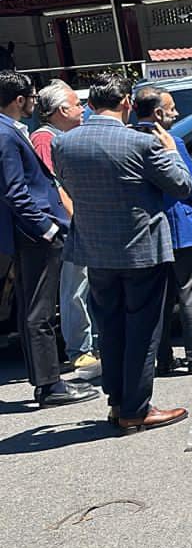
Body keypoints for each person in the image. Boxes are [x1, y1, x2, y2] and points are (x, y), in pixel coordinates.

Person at [52, 76, 192, 431]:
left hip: (95, 249)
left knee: (110, 329)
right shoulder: (140, 143)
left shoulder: (64, 143)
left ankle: (117, 402)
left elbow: (69, 185)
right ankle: (135, 408)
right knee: (142, 331)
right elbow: (182, 185)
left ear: (90, 104)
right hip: (141, 248)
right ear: (127, 102)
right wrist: (173, 152)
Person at [0, 71, 96, 408]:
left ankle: (43, 381)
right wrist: (47, 227)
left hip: (26, 233)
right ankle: (50, 386)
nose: (35, 102)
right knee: (39, 312)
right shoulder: (6, 134)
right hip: (34, 234)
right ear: (19, 100)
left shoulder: (10, 130)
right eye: (31, 96)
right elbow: (15, 191)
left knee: (32, 310)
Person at [132, 87, 192, 376]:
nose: (176, 113)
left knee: (160, 299)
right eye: (171, 107)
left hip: (150, 230)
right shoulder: (171, 142)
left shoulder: (131, 142)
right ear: (157, 113)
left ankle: (162, 358)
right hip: (182, 226)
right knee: (189, 294)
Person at [31, 79, 98, 376]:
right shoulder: (45, 138)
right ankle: (80, 350)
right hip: (72, 225)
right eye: (76, 104)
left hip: (82, 221)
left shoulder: (63, 135)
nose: (82, 109)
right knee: (75, 289)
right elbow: (54, 186)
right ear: (60, 110)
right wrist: (77, 220)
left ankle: (90, 344)